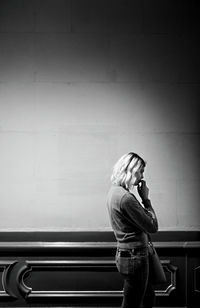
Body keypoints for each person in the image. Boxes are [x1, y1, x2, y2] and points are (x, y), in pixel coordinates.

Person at [107, 152, 158, 308]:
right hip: (135, 257)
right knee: (132, 304)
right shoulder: (126, 198)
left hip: (127, 255)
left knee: (147, 297)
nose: (142, 176)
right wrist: (146, 199)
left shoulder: (114, 192)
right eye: (140, 171)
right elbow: (152, 226)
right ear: (130, 170)